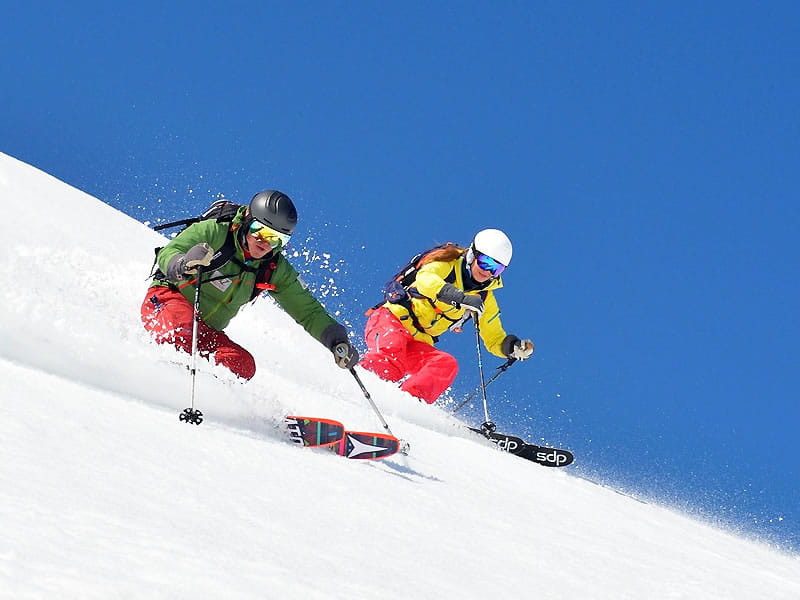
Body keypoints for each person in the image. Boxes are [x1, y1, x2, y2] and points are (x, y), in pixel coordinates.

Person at [141, 190, 359, 380]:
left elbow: (308, 311)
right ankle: (168, 378)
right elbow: (170, 252)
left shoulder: (273, 269)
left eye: (277, 239)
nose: (266, 243)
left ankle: (211, 394)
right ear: (247, 219)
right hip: (168, 300)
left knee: (242, 365)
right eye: (261, 232)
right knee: (182, 333)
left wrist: (336, 339)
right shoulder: (216, 232)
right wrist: (183, 263)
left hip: (206, 330)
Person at [359, 229, 534, 404]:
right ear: (473, 254)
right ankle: (355, 387)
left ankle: (406, 405)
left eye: (497, 269)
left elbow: (493, 336)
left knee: (444, 364)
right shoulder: (448, 263)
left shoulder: (485, 298)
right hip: (390, 320)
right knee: (392, 355)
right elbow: (425, 280)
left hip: (418, 341)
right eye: (485, 262)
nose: (488, 272)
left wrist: (512, 347)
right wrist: (459, 297)